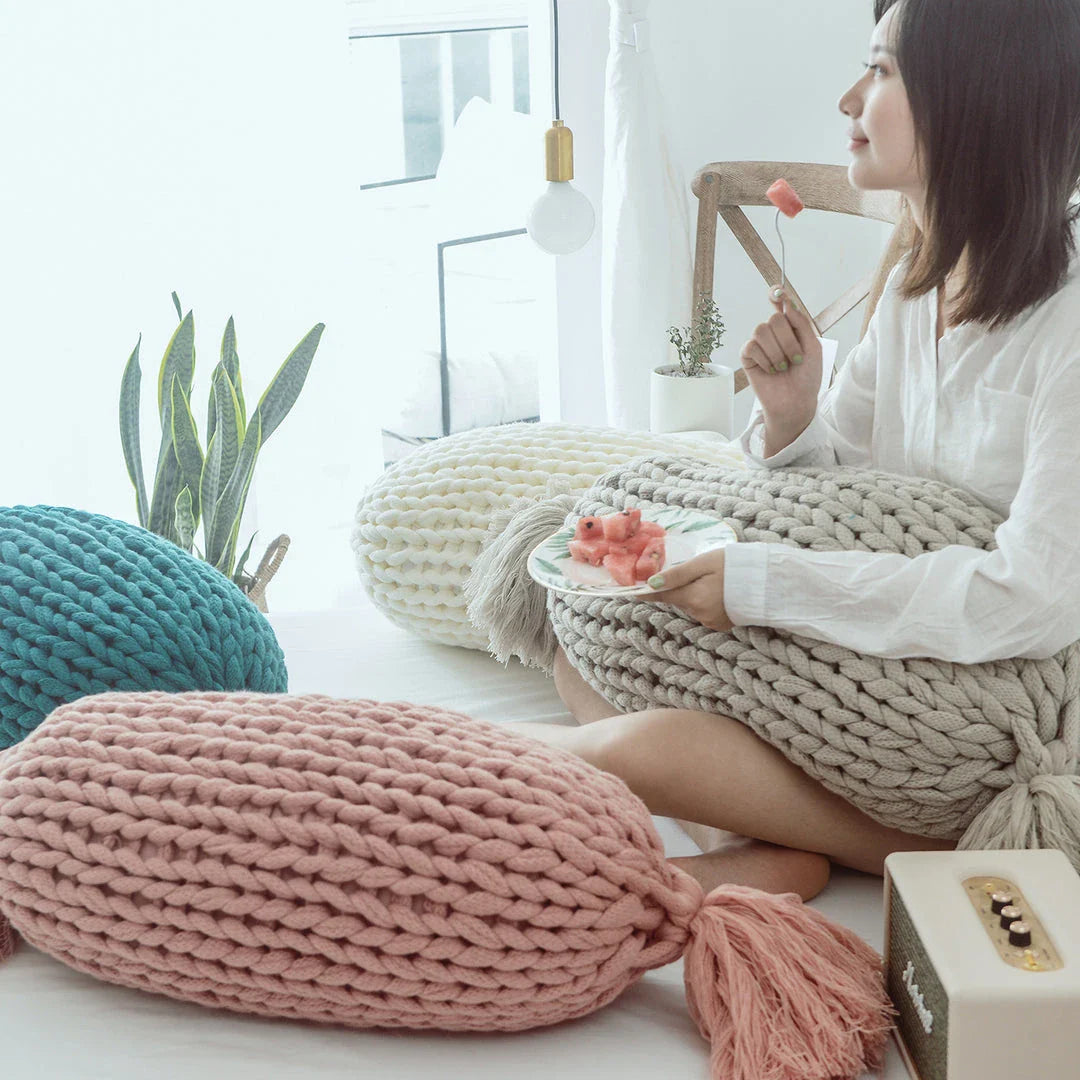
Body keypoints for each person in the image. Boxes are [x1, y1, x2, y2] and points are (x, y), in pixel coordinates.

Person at [506, 0, 1080, 901]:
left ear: (975, 102)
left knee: (646, 735)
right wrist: (792, 416)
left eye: (883, 71)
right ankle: (757, 837)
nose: (851, 97)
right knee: (574, 631)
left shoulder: (1068, 328)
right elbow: (838, 494)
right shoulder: (914, 283)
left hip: (999, 692)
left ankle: (471, 757)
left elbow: (1033, 602)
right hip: (891, 645)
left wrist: (763, 583)